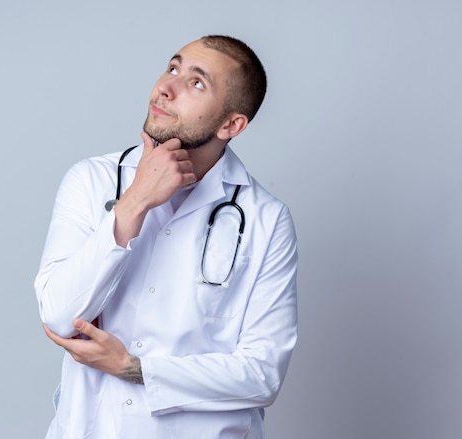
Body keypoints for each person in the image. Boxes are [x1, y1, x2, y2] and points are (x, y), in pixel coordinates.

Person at [34, 35, 298, 439]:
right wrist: (134, 203)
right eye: (173, 68)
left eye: (196, 83)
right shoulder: (91, 180)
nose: (166, 86)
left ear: (232, 124)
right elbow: (57, 314)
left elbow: (262, 375)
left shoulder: (266, 220)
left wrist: (134, 369)